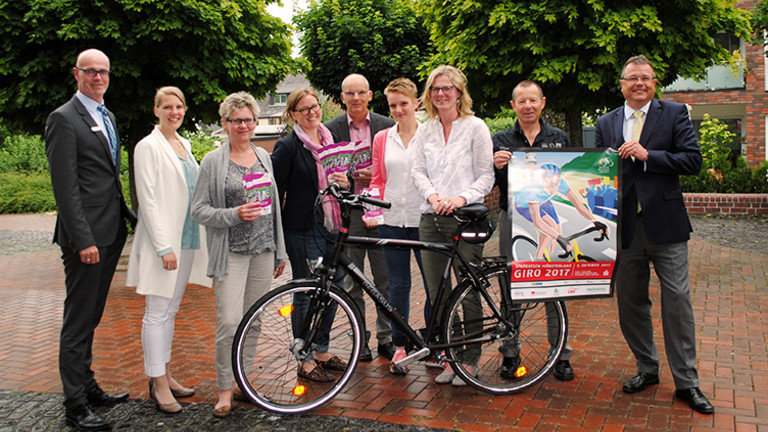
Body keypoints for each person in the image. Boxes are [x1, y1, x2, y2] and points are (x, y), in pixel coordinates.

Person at [595, 55, 712, 414]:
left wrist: (649, 155)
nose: (639, 83)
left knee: (677, 302)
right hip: (625, 228)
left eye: (645, 78)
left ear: (654, 82)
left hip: (666, 225)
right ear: (622, 84)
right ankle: (647, 369)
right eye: (632, 78)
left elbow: (692, 161)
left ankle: (687, 383)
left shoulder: (675, 113)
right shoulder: (606, 122)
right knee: (631, 304)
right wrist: (605, 165)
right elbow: (599, 173)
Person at [45, 48, 134, 431]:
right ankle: (75, 404)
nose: (98, 77)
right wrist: (83, 240)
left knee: (93, 315)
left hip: (111, 231)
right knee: (78, 320)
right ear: (76, 74)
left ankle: (87, 383)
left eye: (103, 72)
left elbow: (107, 178)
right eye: (90, 71)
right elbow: (65, 189)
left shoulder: (107, 115)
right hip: (86, 239)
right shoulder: (64, 119)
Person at [190, 92, 287, 418]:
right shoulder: (213, 162)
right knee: (230, 322)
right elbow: (199, 210)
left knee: (253, 321)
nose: (243, 125)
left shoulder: (263, 156)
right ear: (225, 123)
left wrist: (279, 251)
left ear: (254, 122)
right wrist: (234, 214)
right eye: (236, 120)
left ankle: (244, 381)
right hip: (230, 253)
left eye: (248, 120)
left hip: (263, 250)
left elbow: (274, 209)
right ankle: (224, 389)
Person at [126, 86, 211, 413]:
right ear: (156, 110)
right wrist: (163, 247)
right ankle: (158, 383)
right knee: (156, 313)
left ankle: (166, 373)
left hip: (188, 240)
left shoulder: (184, 144)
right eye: (167, 107)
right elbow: (146, 199)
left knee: (170, 311)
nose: (174, 112)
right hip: (164, 245)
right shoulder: (148, 146)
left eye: (179, 107)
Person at [410, 65, 494, 386]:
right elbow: (418, 171)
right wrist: (433, 197)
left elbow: (486, 175)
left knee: (468, 291)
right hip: (430, 218)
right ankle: (451, 355)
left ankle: (470, 359)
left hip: (464, 217)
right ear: (429, 94)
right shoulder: (425, 129)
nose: (441, 94)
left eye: (447, 88)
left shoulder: (475, 128)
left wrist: (459, 198)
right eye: (435, 88)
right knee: (439, 292)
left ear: (459, 92)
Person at [491, 81, 576, 381]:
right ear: (513, 105)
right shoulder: (499, 139)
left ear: (542, 103)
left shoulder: (559, 138)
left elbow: (567, 182)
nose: (527, 106)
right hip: (511, 217)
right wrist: (494, 165)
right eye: (521, 101)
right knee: (510, 284)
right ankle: (510, 353)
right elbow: (486, 182)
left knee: (554, 283)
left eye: (533, 100)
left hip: (545, 212)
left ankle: (561, 355)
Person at [271, 86, 350, 383]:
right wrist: (275, 238)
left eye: (315, 107)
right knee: (306, 293)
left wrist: (346, 180)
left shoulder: (332, 140)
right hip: (302, 228)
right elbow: (276, 193)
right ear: (293, 114)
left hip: (333, 225)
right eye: (304, 109)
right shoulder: (288, 147)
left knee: (335, 287)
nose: (312, 113)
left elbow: (345, 180)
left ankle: (321, 349)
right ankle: (303, 357)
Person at [325, 73, 396, 362]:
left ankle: (387, 337)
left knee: (385, 278)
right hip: (349, 212)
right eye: (349, 93)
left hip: (379, 210)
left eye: (361, 92)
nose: (356, 98)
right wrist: (342, 177)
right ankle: (360, 339)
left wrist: (378, 176)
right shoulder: (330, 130)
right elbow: (326, 169)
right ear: (342, 98)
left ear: (370, 95)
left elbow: (399, 166)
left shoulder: (387, 126)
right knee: (354, 280)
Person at [367, 78, 429, 374]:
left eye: (404, 103)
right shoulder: (382, 138)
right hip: (391, 221)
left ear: (416, 103)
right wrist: (373, 211)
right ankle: (400, 345)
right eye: (393, 105)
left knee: (433, 286)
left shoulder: (430, 135)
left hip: (424, 219)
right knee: (398, 285)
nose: (398, 109)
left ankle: (434, 343)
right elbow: (377, 180)